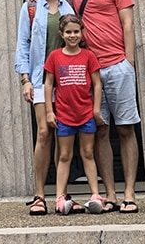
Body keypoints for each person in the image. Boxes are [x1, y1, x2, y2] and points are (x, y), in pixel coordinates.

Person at [64, 0, 140, 214]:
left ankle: (130, 193)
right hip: (91, 71)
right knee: (100, 131)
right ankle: (109, 194)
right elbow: (54, 2)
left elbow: (128, 22)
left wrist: (128, 61)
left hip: (118, 65)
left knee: (126, 128)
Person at [13, 0, 75, 216]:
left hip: (67, 78)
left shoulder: (69, 6)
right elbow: (23, 44)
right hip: (39, 79)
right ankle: (39, 194)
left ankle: (61, 193)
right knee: (43, 133)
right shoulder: (30, 7)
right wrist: (25, 79)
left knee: (64, 134)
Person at [44, 14, 105, 215]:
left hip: (86, 113)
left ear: (82, 33)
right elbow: (49, 84)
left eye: (76, 31)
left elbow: (97, 84)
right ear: (61, 34)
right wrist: (49, 111)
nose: (72, 35)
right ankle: (60, 196)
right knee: (64, 155)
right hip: (64, 115)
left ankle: (95, 194)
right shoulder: (55, 56)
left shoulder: (88, 56)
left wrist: (96, 110)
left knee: (87, 153)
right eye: (68, 32)